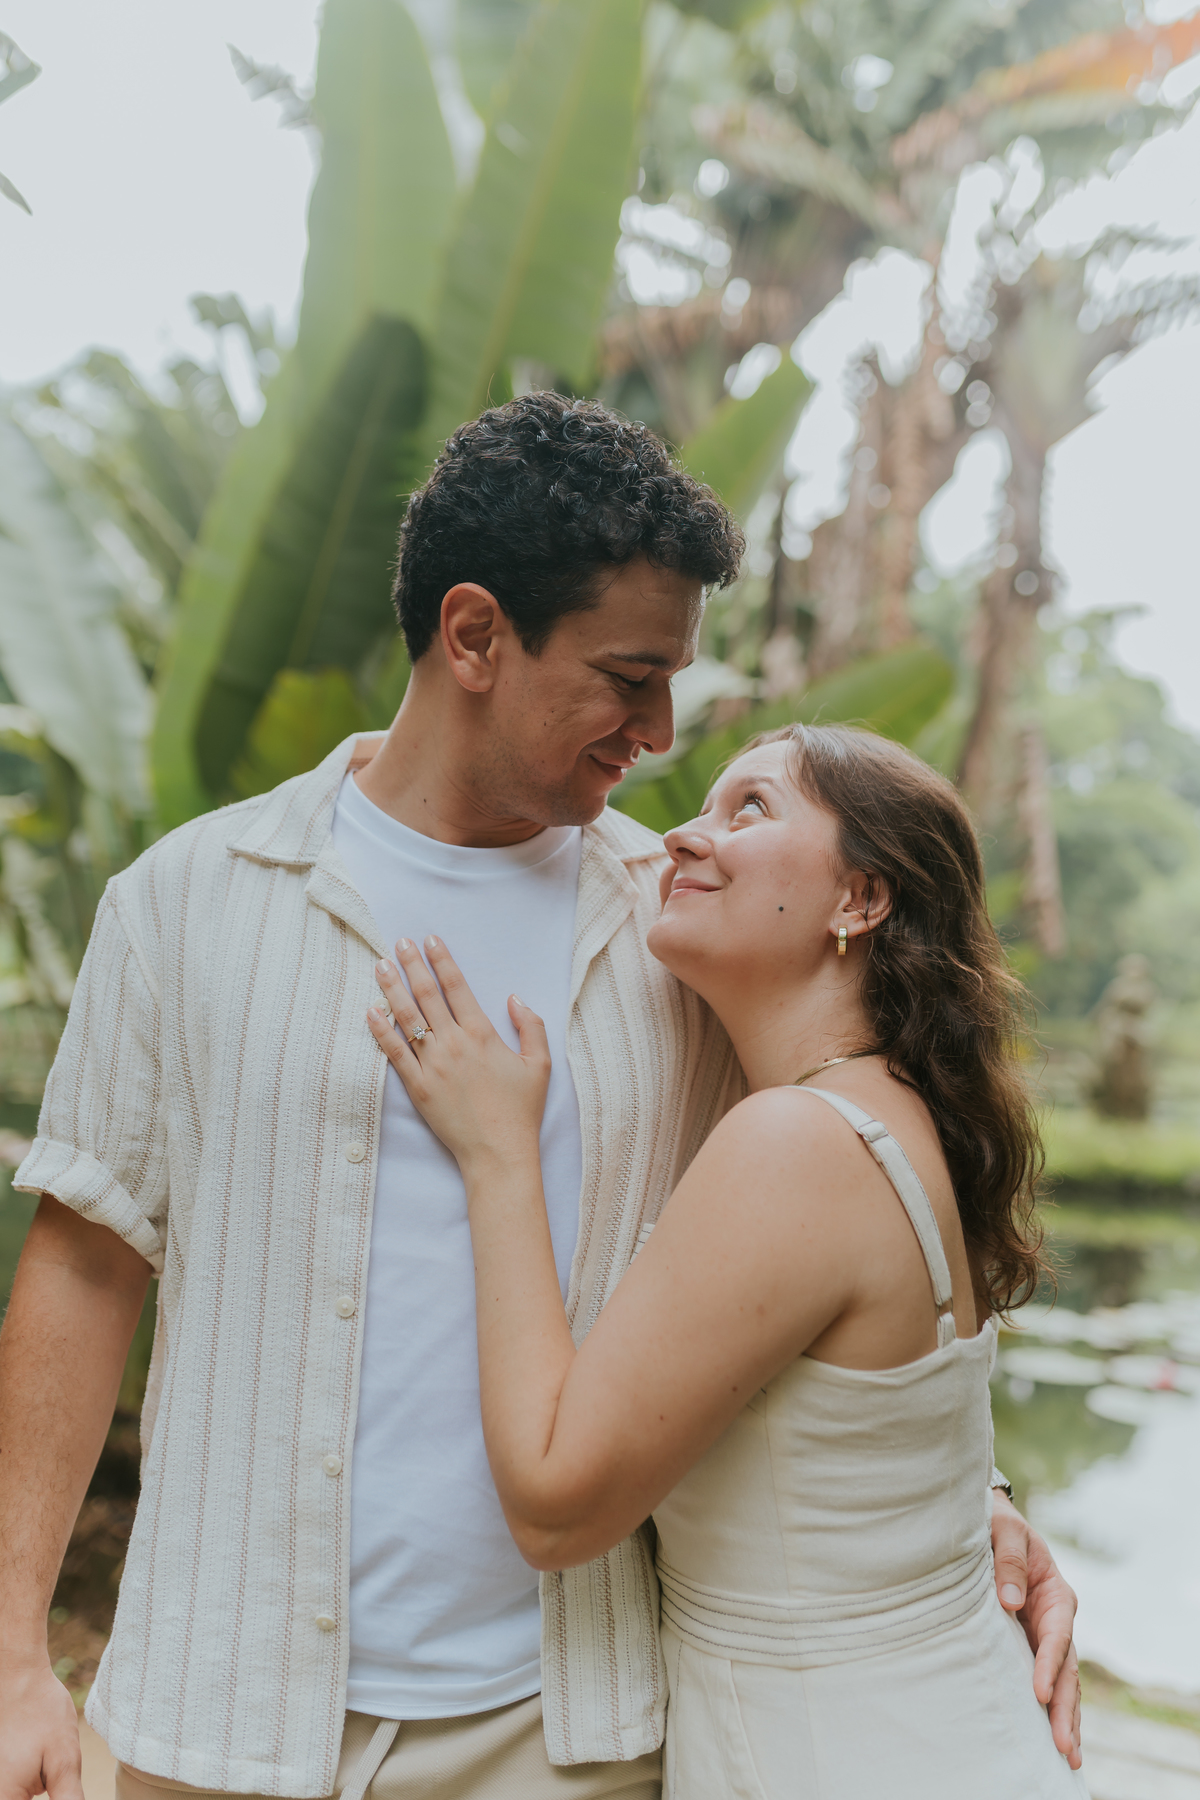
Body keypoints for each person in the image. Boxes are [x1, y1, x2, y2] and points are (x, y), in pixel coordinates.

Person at [0, 395, 1077, 1800]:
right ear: (474, 637)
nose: (660, 730)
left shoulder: (682, 939)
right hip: (222, 1712)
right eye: (631, 676)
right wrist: (14, 1649)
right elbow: (86, 1263)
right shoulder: (185, 904)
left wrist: (965, 1498)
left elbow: (825, 1254)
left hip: (565, 1736)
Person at [365, 721, 1090, 1799]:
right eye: (704, 806)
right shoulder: (886, 1114)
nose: (681, 838)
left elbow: (556, 1507)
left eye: (750, 808)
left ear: (861, 899)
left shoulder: (794, 1141)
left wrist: (498, 1156)